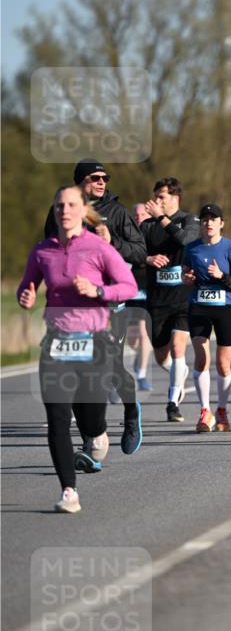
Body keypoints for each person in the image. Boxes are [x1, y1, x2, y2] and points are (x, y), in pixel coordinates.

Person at [18, 186, 138, 512]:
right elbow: (26, 286)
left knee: (91, 420)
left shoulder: (98, 248)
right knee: (57, 418)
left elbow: (129, 285)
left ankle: (101, 432)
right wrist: (25, 297)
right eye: (59, 205)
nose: (64, 210)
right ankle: (69, 490)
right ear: (54, 210)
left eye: (71, 205)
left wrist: (97, 289)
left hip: (94, 343)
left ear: (83, 209)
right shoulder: (42, 251)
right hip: (56, 343)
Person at [44, 159, 145, 455]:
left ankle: (131, 412)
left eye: (105, 177)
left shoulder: (116, 212)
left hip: (110, 301)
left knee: (111, 368)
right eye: (95, 178)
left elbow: (140, 251)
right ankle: (92, 438)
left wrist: (113, 242)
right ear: (79, 183)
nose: (102, 182)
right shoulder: (59, 212)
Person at [142, 178, 200, 421]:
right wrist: (148, 259)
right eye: (155, 197)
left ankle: (172, 403)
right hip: (157, 299)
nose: (157, 202)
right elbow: (135, 252)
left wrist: (162, 218)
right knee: (161, 356)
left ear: (175, 198)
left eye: (162, 197)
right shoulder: (147, 226)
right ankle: (180, 372)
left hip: (182, 297)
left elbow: (186, 240)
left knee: (178, 347)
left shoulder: (189, 220)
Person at [182, 204, 231, 433]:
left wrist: (222, 276)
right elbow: (184, 275)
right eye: (205, 219)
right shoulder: (192, 248)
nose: (209, 223)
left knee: (223, 363)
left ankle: (222, 410)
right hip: (199, 306)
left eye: (213, 219)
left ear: (221, 223)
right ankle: (205, 411)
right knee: (201, 358)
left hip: (225, 308)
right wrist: (186, 279)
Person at [126, 202, 153, 391]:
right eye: (135, 214)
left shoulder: (153, 233)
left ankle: (142, 374)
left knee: (144, 334)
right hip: (129, 288)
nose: (138, 217)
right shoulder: (127, 235)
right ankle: (139, 359)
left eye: (142, 213)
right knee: (132, 339)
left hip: (148, 287)